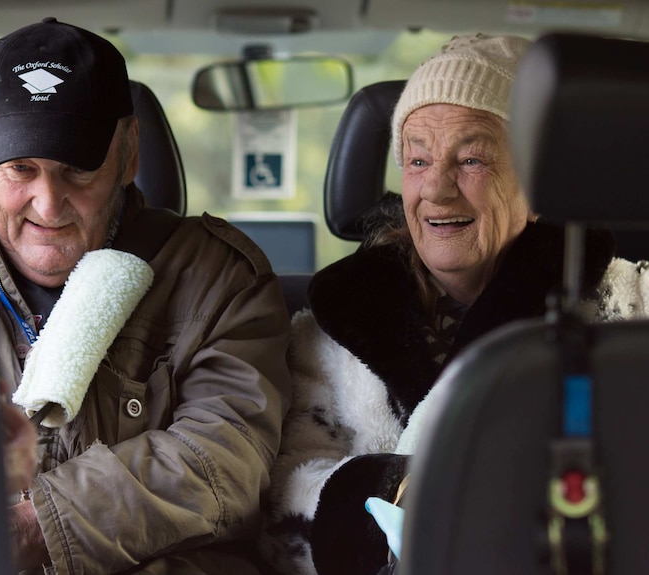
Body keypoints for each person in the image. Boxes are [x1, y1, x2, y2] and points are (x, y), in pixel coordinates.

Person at [0, 17, 292, 575]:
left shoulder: (217, 278)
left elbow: (225, 458)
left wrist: (37, 527)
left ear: (129, 153)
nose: (47, 204)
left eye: (77, 171)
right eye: (21, 169)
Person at [258, 33, 649, 575]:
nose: (436, 190)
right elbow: (283, 498)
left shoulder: (631, 306)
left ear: (535, 186)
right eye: (417, 160)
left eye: (471, 158)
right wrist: (391, 497)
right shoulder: (327, 334)